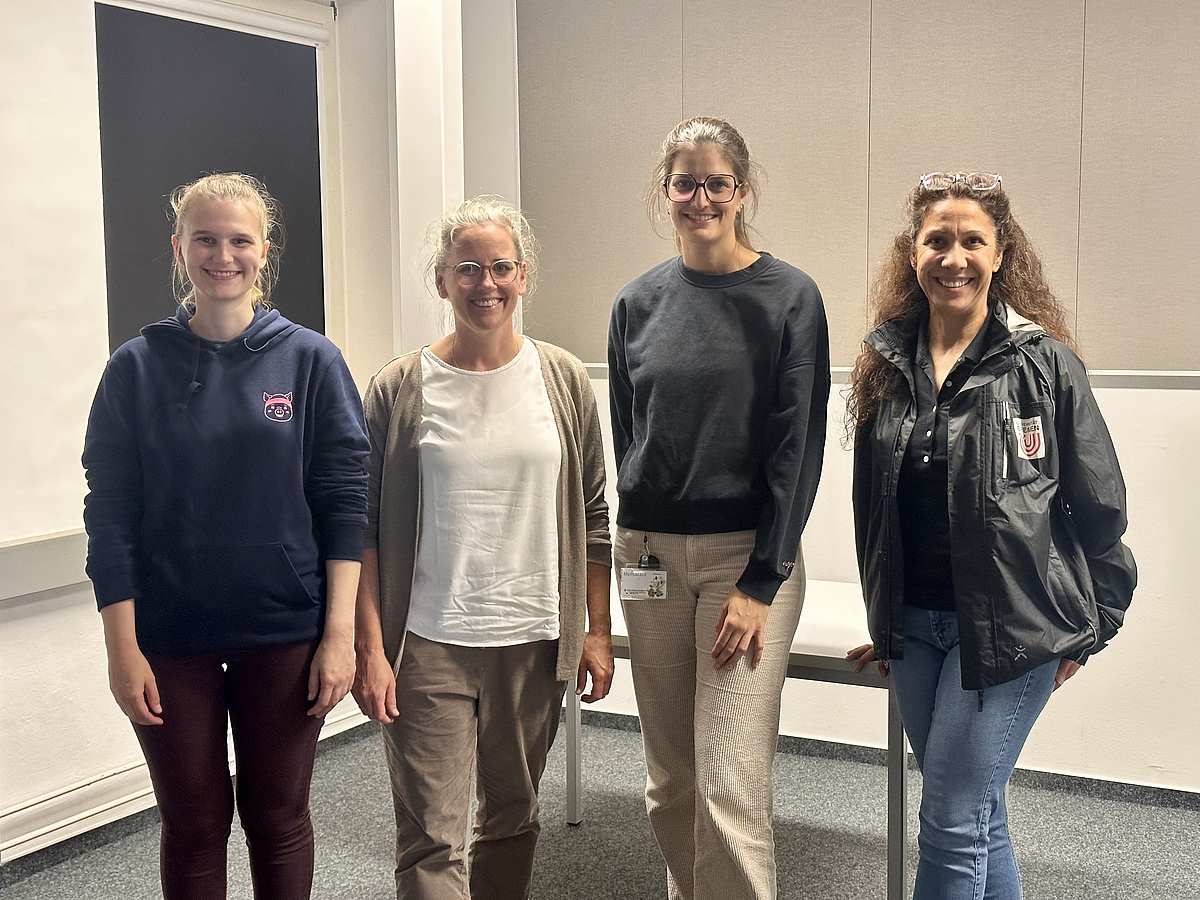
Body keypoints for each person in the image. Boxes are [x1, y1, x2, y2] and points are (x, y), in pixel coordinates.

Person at [846, 172, 1137, 899]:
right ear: (911, 255)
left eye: (972, 240)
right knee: (975, 812)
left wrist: (1091, 625)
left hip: (1012, 630)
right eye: (936, 240)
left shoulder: (1043, 365)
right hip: (916, 627)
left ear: (1001, 253)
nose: (954, 257)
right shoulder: (887, 362)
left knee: (948, 817)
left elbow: (1098, 506)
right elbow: (875, 508)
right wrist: (884, 618)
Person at [82, 172, 370, 898]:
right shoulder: (135, 368)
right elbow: (108, 513)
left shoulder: (310, 361)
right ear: (179, 249)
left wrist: (341, 636)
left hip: (283, 631)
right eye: (204, 239)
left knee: (277, 819)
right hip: (168, 637)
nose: (222, 254)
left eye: (239, 240)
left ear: (263, 251)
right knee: (193, 823)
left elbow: (344, 504)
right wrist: (123, 649)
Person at [351, 196, 613, 900]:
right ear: (441, 281)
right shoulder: (397, 388)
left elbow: (593, 516)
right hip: (426, 642)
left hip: (531, 639)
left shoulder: (561, 380)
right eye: (467, 268)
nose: (485, 283)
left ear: (524, 276)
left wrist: (596, 631)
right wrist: (369, 650)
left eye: (500, 267)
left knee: (512, 818)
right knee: (431, 836)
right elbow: (365, 532)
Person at [608, 116, 830, 900]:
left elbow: (797, 445)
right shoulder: (636, 303)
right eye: (684, 183)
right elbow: (630, 433)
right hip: (649, 561)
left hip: (746, 561)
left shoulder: (788, 297)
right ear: (665, 192)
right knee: (669, 783)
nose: (700, 198)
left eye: (716, 183)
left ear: (742, 191)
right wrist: (627, 546)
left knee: (728, 787)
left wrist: (762, 581)